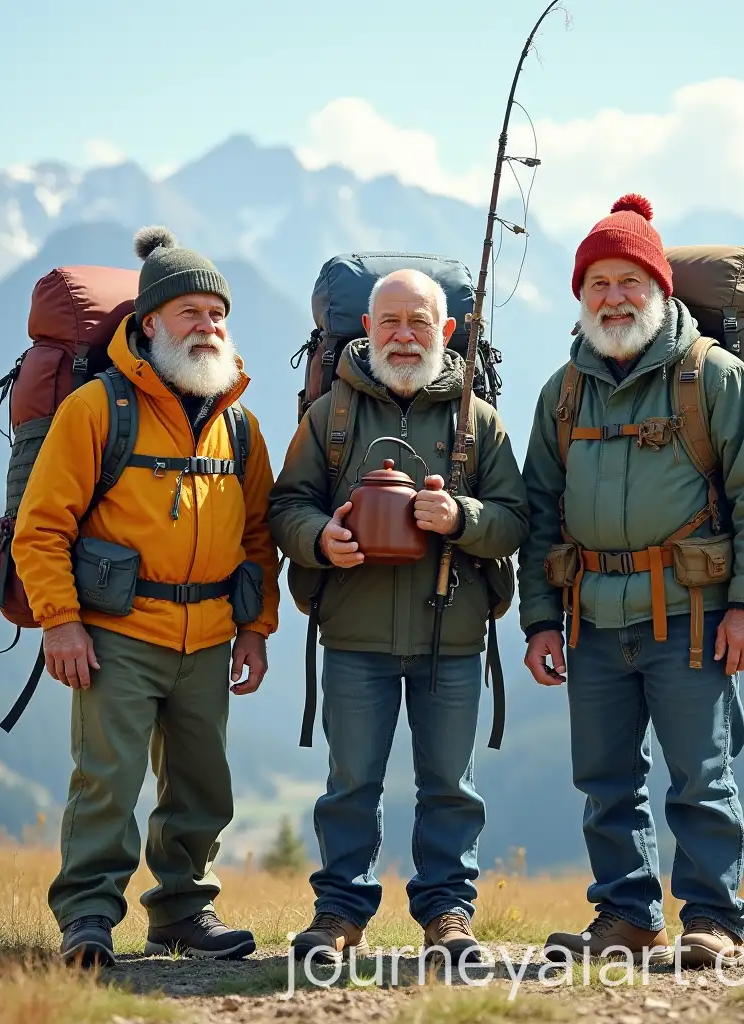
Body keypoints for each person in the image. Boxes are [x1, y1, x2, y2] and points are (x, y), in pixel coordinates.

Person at [517, 195, 744, 968]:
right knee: (605, 779)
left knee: (701, 776)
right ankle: (626, 918)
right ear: (580, 296)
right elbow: (539, 512)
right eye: (598, 282)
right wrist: (541, 621)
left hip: (698, 614)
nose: (613, 297)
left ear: (660, 289)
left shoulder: (716, 378)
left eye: (629, 280)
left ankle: (714, 921)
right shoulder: (562, 393)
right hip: (594, 617)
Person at [12, 226, 280, 967]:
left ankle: (183, 915)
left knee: (201, 786)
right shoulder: (99, 408)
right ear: (150, 322)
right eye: (190, 312)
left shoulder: (240, 426)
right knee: (108, 783)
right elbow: (41, 527)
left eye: (217, 314)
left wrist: (255, 629)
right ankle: (89, 921)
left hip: (209, 635)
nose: (208, 327)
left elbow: (259, 537)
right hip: (114, 634)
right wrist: (60, 623)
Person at [269, 269, 528, 963]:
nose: (404, 336)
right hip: (353, 635)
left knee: (450, 784)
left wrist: (462, 517)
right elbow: (285, 507)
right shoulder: (331, 417)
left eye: (419, 322)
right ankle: (338, 914)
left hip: (453, 632)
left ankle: (448, 913)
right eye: (390, 322)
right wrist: (321, 538)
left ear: (446, 332)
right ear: (367, 329)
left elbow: (517, 520)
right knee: (351, 780)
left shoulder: (479, 420)